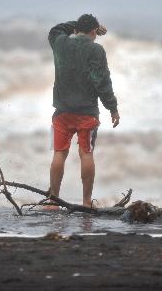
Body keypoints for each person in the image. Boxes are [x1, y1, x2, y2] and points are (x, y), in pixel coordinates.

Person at [47, 13, 120, 208]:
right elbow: (101, 81)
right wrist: (112, 107)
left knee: (59, 154)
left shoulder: (60, 43)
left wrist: (78, 26)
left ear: (77, 29)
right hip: (87, 112)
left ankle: (53, 201)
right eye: (95, 31)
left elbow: (56, 29)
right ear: (94, 32)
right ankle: (87, 201)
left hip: (62, 111)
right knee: (86, 153)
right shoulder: (96, 50)